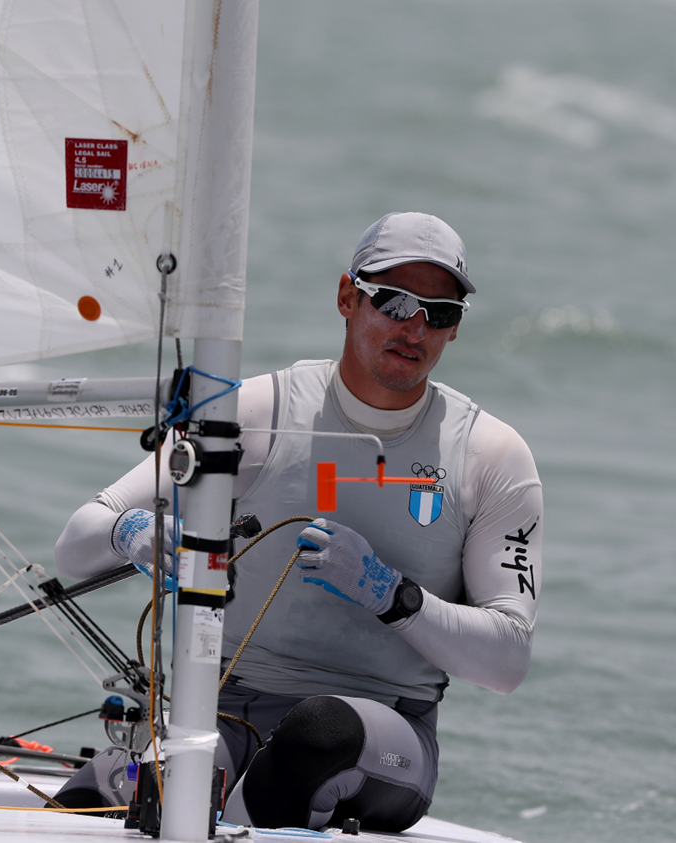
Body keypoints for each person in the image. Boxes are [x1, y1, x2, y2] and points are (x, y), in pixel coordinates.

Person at [52, 212, 543, 831]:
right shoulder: (253, 414)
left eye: (439, 313)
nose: (414, 327)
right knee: (99, 792)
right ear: (346, 296)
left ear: (453, 330)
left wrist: (390, 595)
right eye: (393, 301)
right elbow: (76, 542)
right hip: (224, 715)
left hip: (380, 734)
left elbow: (508, 660)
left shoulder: (490, 457)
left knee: (319, 731)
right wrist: (135, 534)